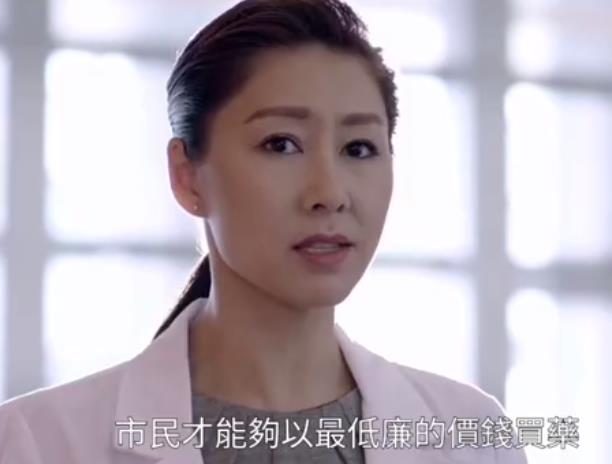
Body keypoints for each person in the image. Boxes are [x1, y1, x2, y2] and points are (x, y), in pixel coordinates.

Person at [0, 1, 528, 463]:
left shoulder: (473, 435)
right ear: (187, 176)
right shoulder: (38, 442)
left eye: (358, 148)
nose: (330, 192)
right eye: (281, 144)